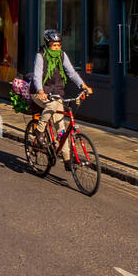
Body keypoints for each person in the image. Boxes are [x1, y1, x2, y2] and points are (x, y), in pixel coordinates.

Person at [30, 29, 92, 171]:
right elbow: (37, 76)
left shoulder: (62, 56)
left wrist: (83, 85)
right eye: (54, 45)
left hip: (56, 93)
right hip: (39, 93)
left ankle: (67, 159)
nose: (57, 48)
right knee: (51, 105)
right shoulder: (41, 56)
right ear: (47, 45)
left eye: (59, 45)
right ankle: (39, 131)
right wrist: (40, 90)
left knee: (61, 128)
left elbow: (71, 73)